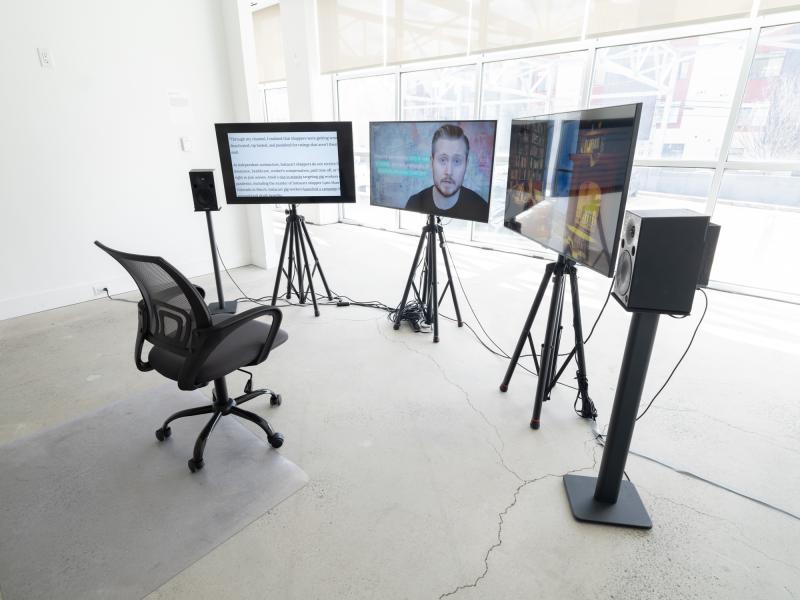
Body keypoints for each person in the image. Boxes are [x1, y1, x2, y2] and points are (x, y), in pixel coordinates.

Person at [405, 124, 488, 222]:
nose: (449, 172)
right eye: (443, 160)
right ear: (431, 162)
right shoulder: (414, 203)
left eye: (457, 161)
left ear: (466, 164)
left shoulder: (481, 209)